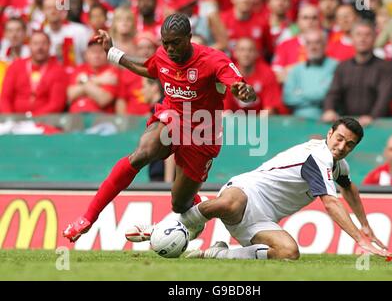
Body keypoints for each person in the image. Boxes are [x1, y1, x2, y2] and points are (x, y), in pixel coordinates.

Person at [62, 13, 256, 243]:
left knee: (179, 203)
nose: (170, 48)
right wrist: (112, 52)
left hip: (202, 133)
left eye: (175, 42)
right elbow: (148, 68)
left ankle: (193, 211)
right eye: (165, 42)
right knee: (142, 154)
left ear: (189, 38)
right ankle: (88, 217)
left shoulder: (214, 60)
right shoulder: (163, 54)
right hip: (171, 116)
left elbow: (239, 86)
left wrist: (244, 92)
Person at [129, 117, 392, 260]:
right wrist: (359, 239)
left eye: (349, 144)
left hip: (263, 221)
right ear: (329, 133)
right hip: (248, 190)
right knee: (226, 205)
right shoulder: (319, 156)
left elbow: (349, 189)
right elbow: (331, 203)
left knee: (289, 253)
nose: (342, 146)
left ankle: (218, 254)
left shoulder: (338, 165)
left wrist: (364, 224)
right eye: (339, 139)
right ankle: (161, 228)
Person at [322, 20, 392, 127]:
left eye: (367, 35)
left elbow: (384, 98)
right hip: (348, 125)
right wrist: (329, 110)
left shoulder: (385, 67)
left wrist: (372, 117)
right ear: (352, 38)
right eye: (358, 34)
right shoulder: (342, 67)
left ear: (375, 38)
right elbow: (333, 93)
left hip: (376, 124)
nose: (362, 39)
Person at [0, 31, 67, 115]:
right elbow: (5, 98)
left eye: (43, 43)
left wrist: (33, 119)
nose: (40, 47)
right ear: (29, 46)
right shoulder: (16, 66)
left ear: (50, 45)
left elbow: (56, 104)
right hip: (14, 121)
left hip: (45, 121)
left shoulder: (58, 70)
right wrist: (10, 119)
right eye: (35, 43)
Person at [284, 29, 338, 119]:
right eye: (309, 43)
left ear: (325, 45)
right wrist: (316, 98)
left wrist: (300, 93)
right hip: (299, 121)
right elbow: (288, 98)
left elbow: (326, 95)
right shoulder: (296, 69)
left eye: (317, 43)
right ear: (304, 46)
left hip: (326, 120)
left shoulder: (336, 66)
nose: (313, 47)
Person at [67, 38, 120, 113]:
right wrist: (99, 80)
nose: (96, 55)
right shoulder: (79, 69)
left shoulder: (112, 72)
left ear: (107, 54)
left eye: (101, 51)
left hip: (100, 116)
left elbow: (103, 99)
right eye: (93, 51)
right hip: (75, 115)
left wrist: (82, 81)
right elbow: (71, 95)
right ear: (86, 54)